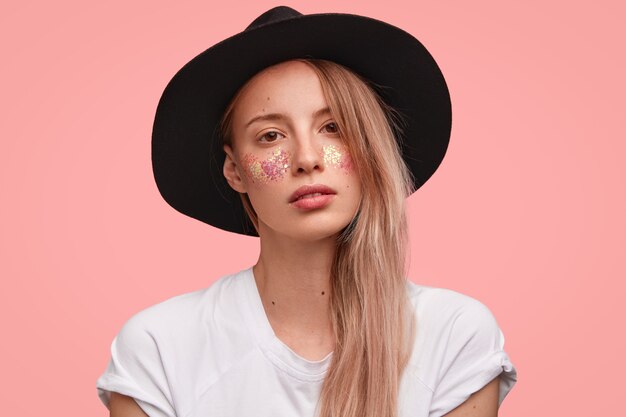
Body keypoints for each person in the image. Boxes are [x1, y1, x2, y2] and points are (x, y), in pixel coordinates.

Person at [96, 6, 517, 417]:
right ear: (234, 169)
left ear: (371, 145)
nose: (306, 158)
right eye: (270, 135)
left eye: (333, 127)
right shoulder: (159, 348)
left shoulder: (454, 336)